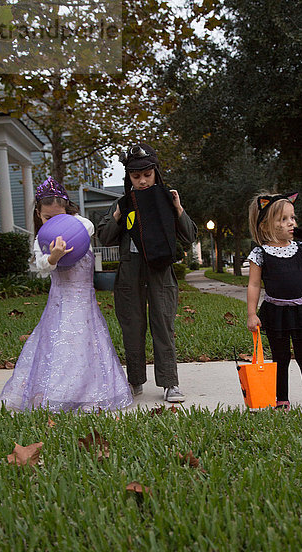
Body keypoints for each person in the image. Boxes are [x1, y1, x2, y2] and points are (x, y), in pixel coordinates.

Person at [0, 176, 133, 413]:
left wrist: (67, 224)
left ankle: (88, 392)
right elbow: (41, 267)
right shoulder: (43, 240)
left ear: (68, 211)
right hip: (60, 303)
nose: (52, 222)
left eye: (58, 216)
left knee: (87, 344)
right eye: (47, 218)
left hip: (85, 301)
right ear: (39, 216)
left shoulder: (79, 225)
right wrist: (53, 257)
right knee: (60, 344)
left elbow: (89, 227)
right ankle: (58, 393)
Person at [98, 143, 197, 402]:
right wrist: (118, 213)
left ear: (156, 173)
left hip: (160, 272)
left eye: (147, 175)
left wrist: (178, 209)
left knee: (163, 325)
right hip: (130, 272)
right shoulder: (123, 203)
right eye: (136, 176)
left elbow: (189, 236)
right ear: (128, 177)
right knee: (132, 326)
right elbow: (104, 238)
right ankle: (134, 381)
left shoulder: (167, 199)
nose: (142, 181)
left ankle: (169, 383)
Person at [246, 191, 302, 412]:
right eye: (283, 219)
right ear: (265, 226)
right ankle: (281, 399)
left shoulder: (301, 248)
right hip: (276, 312)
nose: (291, 223)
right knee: (280, 358)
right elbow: (254, 285)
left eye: (293, 218)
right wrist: (252, 314)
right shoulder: (260, 253)